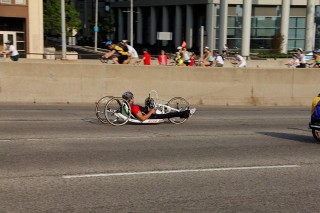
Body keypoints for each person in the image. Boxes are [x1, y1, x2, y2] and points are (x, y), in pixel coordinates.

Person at [121, 91, 196, 121]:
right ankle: (187, 112)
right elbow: (142, 118)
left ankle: (184, 115)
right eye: (133, 97)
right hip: (152, 116)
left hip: (148, 112)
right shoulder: (133, 107)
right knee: (168, 114)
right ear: (131, 99)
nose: (134, 98)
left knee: (157, 104)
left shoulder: (130, 106)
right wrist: (151, 111)